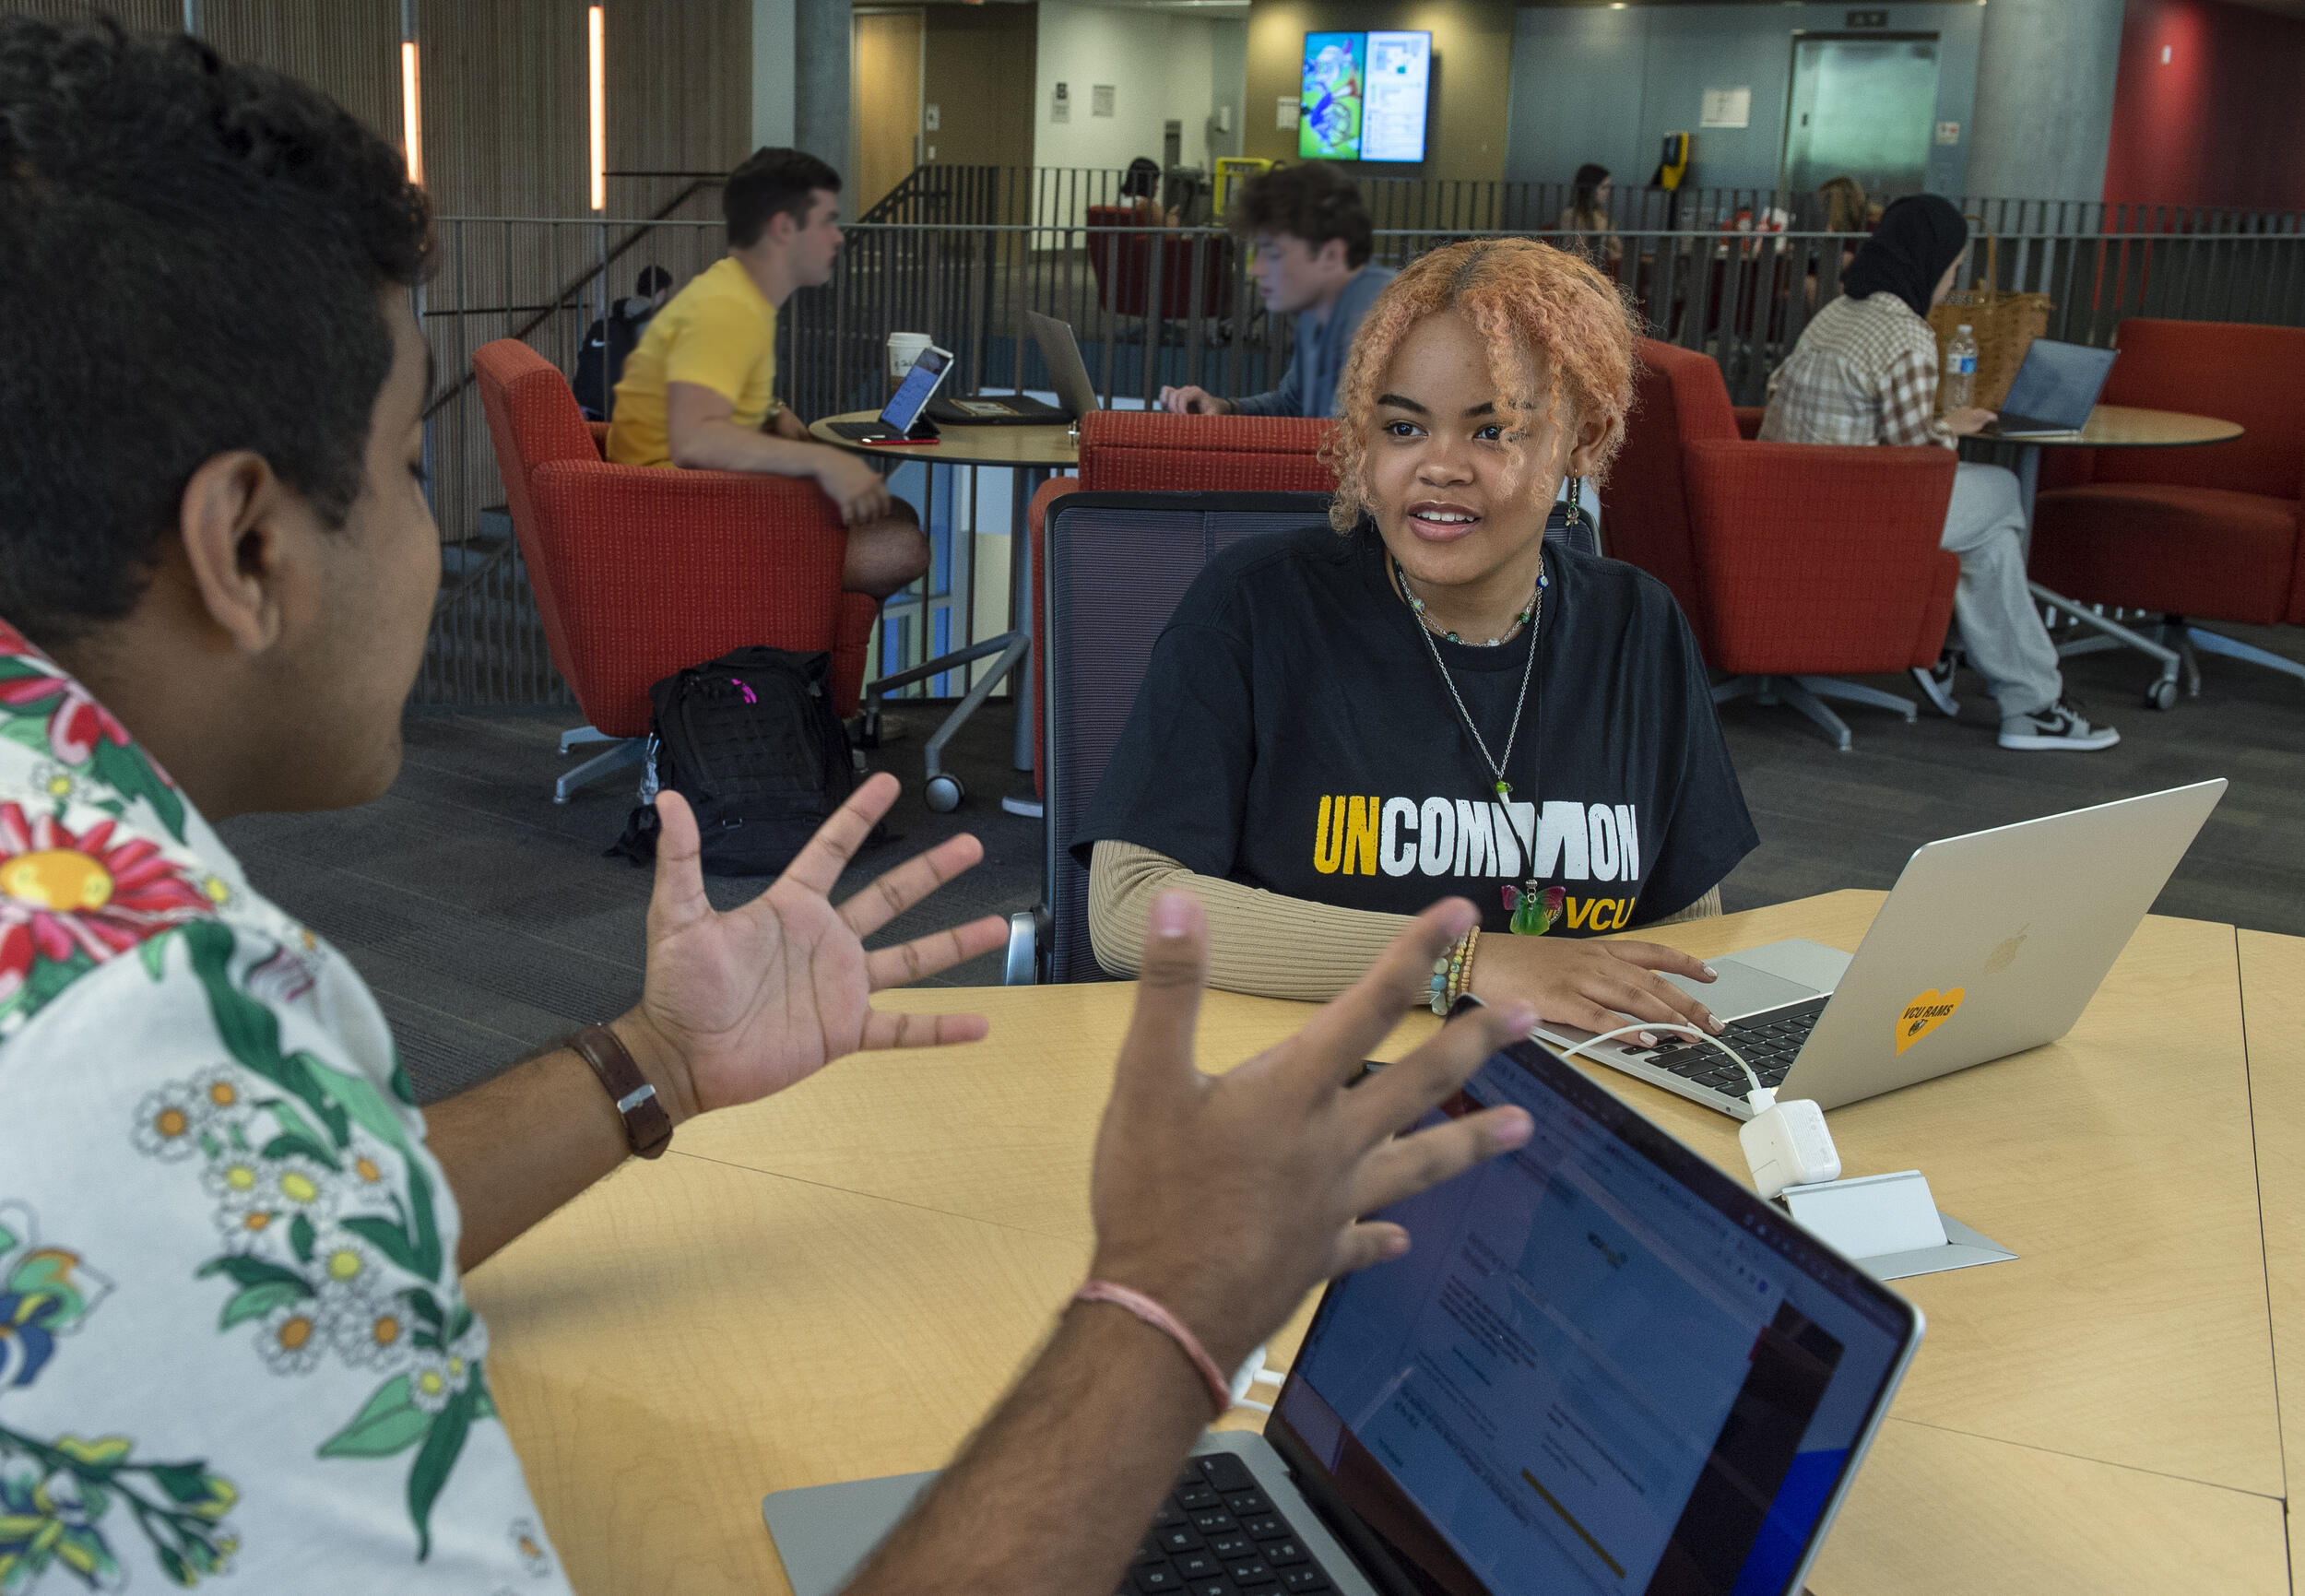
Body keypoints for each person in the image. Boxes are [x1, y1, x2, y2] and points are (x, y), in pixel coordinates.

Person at [0, 19, 1536, 1593]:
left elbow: (295, 1230)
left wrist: (650, 1060)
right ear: (246, 547)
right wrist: (1172, 1303)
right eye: (408, 465)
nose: (425, 521)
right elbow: (195, 1182)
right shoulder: (134, 1047)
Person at [1087, 238, 1759, 1041]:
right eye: (1403, 427)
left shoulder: (1638, 628)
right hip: (1302, 1088)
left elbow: (1686, 940)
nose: (1439, 467)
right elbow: (1128, 905)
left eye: (1494, 430)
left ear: (1585, 439)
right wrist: (1463, 960)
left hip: (1571, 1095)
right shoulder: (1255, 608)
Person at [1758, 195, 2119, 751]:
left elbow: (1780, 390)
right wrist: (1950, 423)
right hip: (1851, 517)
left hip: (1787, 499)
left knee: (1988, 540)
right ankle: (2026, 702)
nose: (1951, 285)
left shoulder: (1836, 313)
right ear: (1929, 265)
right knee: (1999, 492)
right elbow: (1919, 461)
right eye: (1952, 270)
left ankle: (1997, 677)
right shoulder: (1906, 334)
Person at [607, 148, 928, 602]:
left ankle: (806, 625)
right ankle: (789, 626)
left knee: (897, 512)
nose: (839, 239)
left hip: (700, 509)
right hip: (684, 528)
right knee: (906, 547)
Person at [1157, 163, 1395, 420]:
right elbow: (1290, 404)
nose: (1256, 270)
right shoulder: (1320, 314)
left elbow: (1349, 444)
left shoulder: (1387, 320)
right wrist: (1225, 407)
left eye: (1272, 253)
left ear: (1331, 254)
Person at [571, 262, 671, 420]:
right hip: (617, 406)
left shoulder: (610, 311)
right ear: (661, 292)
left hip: (583, 400)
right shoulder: (648, 318)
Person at [1554, 161, 1623, 271]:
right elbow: (1579, 249)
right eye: (1604, 187)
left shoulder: (1603, 216)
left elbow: (1617, 247)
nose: (1608, 192)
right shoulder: (1571, 215)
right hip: (1578, 270)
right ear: (1591, 188)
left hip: (1602, 268)